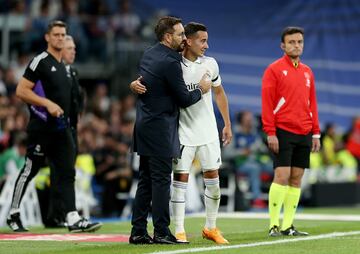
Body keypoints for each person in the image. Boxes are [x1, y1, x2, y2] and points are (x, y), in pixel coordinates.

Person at [6, 20, 101, 233]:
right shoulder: (39, 61)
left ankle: (72, 217)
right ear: (47, 37)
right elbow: (21, 91)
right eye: (56, 34)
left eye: (63, 34)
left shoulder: (65, 68)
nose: (59, 38)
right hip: (41, 128)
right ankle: (13, 213)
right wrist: (47, 103)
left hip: (63, 129)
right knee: (31, 170)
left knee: (67, 173)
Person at [128, 16, 211, 245]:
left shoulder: (149, 53)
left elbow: (146, 82)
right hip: (160, 129)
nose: (184, 38)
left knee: (146, 180)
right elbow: (184, 98)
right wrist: (202, 89)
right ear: (167, 37)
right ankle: (162, 231)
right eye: (180, 34)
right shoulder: (171, 61)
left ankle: (138, 231)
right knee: (162, 181)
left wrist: (132, 84)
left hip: (144, 124)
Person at [169, 22, 232, 244]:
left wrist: (227, 123)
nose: (206, 45)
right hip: (184, 132)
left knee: (213, 182)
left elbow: (220, 93)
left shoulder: (211, 64)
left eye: (206, 40)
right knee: (180, 183)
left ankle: (211, 228)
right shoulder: (174, 65)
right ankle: (178, 229)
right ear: (188, 41)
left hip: (208, 134)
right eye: (202, 40)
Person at [261, 26, 321, 237]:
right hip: (282, 130)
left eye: (300, 42)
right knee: (282, 175)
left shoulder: (307, 71)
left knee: (296, 178)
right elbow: (267, 103)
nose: (296, 45)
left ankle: (288, 226)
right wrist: (270, 131)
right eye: (292, 42)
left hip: (304, 131)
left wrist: (316, 132)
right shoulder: (274, 70)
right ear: (283, 45)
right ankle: (273, 225)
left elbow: (311, 103)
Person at [45, 35, 84, 228]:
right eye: (70, 48)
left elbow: (77, 101)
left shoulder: (73, 72)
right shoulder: (55, 73)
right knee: (59, 173)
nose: (73, 51)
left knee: (67, 172)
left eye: (74, 48)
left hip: (72, 129)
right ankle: (57, 215)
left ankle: (63, 214)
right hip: (57, 129)